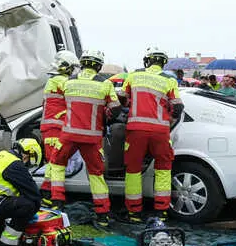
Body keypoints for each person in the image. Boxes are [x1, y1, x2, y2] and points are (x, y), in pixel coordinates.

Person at [47, 50, 118, 225]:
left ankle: (56, 203)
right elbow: (115, 109)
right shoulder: (105, 84)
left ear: (83, 62)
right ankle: (103, 214)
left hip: (68, 135)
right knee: (96, 174)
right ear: (99, 65)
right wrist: (105, 115)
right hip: (92, 138)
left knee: (57, 165)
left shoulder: (68, 82)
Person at [122, 46, 182, 222]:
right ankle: (161, 212)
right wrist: (169, 120)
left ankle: (134, 212)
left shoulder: (133, 76)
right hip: (160, 132)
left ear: (147, 61)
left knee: (133, 170)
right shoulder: (169, 81)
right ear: (163, 63)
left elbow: (121, 99)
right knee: (163, 169)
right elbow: (178, 107)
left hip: (136, 130)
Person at [38, 51, 80, 203]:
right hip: (54, 128)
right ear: (65, 67)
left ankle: (45, 192)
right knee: (56, 163)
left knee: (53, 162)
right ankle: (51, 196)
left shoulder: (54, 80)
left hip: (53, 127)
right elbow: (76, 93)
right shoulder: (60, 80)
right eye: (74, 68)